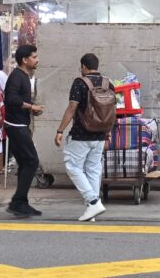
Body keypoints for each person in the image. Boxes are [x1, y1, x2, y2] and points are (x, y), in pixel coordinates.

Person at [55, 52, 115, 222]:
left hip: (82, 134)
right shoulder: (108, 83)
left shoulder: (80, 83)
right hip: (101, 134)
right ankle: (92, 210)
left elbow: (72, 108)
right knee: (94, 170)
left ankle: (93, 201)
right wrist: (108, 133)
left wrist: (60, 130)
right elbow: (111, 111)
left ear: (83, 66)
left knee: (73, 167)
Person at [3, 44, 44, 218]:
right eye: (34, 57)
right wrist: (31, 106)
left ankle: (21, 202)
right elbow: (11, 99)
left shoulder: (24, 76)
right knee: (31, 161)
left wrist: (31, 109)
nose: (37, 60)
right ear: (24, 60)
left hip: (20, 125)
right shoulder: (16, 76)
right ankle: (18, 201)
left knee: (25, 163)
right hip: (16, 127)